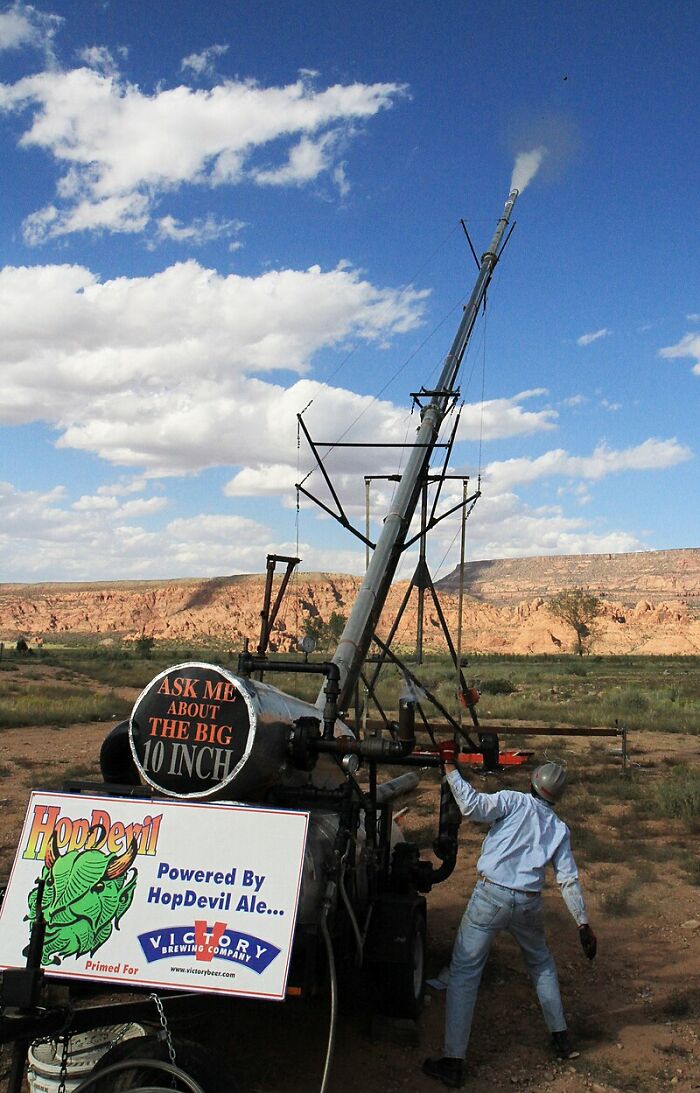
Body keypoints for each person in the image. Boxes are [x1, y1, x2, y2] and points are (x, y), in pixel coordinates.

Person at [422, 745, 597, 1089]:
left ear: (533, 781)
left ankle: (453, 1061)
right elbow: (568, 879)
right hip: (528, 903)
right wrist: (582, 923)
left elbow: (471, 806)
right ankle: (560, 1039)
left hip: (490, 896)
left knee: (465, 972)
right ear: (557, 796)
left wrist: (449, 768)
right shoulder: (559, 829)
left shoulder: (513, 801)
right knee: (541, 964)